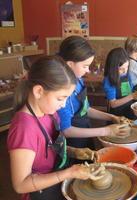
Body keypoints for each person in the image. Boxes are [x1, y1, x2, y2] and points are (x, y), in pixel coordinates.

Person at [7, 56, 106, 200]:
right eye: (60, 98)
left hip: (56, 182)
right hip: (39, 193)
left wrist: (74, 152)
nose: (64, 104)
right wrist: (69, 173)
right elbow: (21, 185)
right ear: (38, 91)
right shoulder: (24, 128)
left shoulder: (50, 113)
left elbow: (49, 148)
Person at [57, 36, 129, 151]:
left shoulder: (78, 79)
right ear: (70, 64)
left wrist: (112, 117)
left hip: (86, 129)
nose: (88, 70)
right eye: (85, 66)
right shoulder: (61, 92)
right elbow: (66, 130)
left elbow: (87, 109)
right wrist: (106, 130)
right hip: (72, 143)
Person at [103, 47, 137, 119]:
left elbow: (130, 92)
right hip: (117, 114)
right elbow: (113, 104)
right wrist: (132, 96)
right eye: (121, 69)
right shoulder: (109, 80)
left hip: (129, 108)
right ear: (113, 67)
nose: (125, 71)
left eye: (127, 67)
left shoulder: (126, 75)